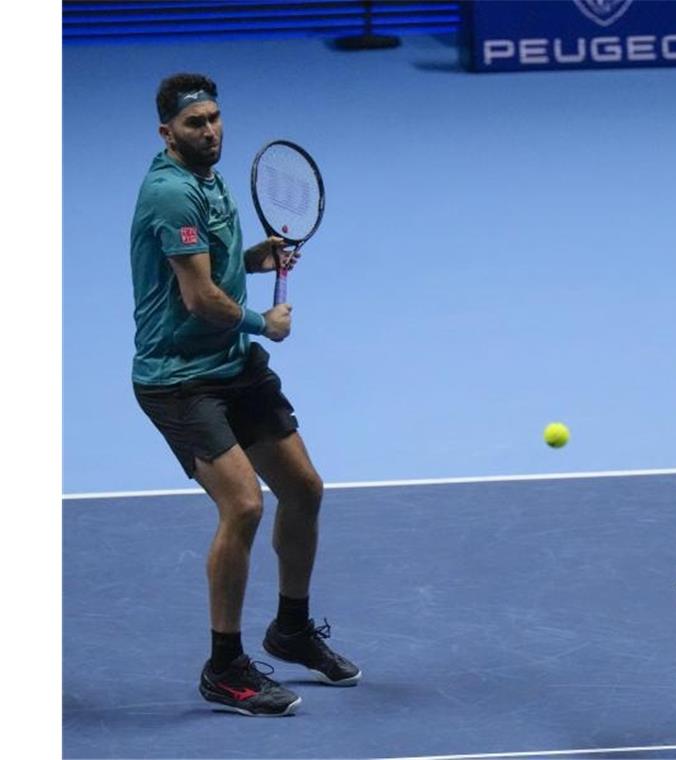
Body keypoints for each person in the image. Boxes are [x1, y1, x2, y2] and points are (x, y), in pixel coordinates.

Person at [130, 73, 360, 717]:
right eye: (195, 123)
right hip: (179, 378)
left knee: (305, 489)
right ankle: (225, 668)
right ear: (166, 133)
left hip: (231, 365)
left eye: (214, 118)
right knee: (244, 505)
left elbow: (219, 266)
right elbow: (199, 298)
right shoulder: (171, 193)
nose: (210, 131)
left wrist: (260, 257)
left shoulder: (207, 178)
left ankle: (290, 629)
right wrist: (266, 323)